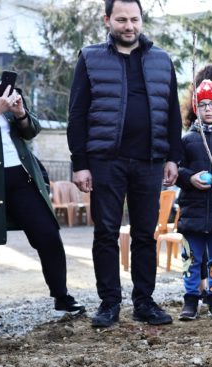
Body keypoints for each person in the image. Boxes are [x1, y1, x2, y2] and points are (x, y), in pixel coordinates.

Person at [68, 0, 182, 327]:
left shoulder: (161, 60)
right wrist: (80, 163)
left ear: (141, 20)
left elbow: (173, 113)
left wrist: (172, 156)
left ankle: (145, 302)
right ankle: (109, 304)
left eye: (134, 19)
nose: (128, 26)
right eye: (121, 19)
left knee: (146, 234)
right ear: (108, 20)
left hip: (150, 162)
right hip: (105, 161)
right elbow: (77, 114)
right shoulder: (90, 58)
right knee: (105, 233)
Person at [0, 27, 85, 328]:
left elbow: (31, 130)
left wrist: (20, 113)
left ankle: (61, 294)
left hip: (20, 175)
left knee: (47, 232)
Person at [176, 80, 212, 321]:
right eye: (202, 105)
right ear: (195, 108)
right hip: (193, 211)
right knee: (191, 258)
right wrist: (190, 178)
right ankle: (190, 299)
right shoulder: (188, 139)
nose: (208, 109)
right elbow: (176, 170)